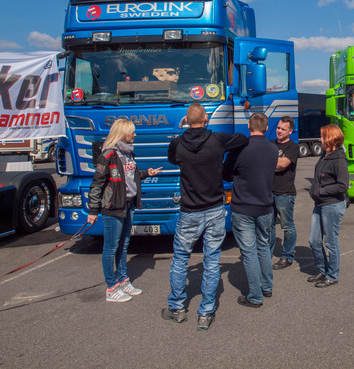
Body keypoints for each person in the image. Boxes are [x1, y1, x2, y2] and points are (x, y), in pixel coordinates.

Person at [161, 103, 248, 330]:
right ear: (206, 118)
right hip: (214, 209)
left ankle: (177, 308)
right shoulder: (217, 139)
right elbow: (242, 139)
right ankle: (206, 311)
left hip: (189, 210)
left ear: (186, 121)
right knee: (211, 260)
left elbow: (172, 159)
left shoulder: (177, 144)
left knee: (180, 259)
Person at [88, 119, 161, 302]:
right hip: (113, 208)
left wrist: (146, 173)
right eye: (132, 132)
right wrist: (93, 211)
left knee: (124, 244)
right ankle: (111, 288)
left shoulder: (128, 153)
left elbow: (130, 176)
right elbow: (97, 184)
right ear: (122, 133)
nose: (135, 135)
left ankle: (123, 281)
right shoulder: (108, 155)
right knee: (110, 248)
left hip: (128, 205)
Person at [223, 112, 278, 308]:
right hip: (265, 205)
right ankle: (266, 286)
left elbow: (226, 174)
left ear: (249, 126)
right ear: (266, 127)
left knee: (249, 251)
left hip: (243, 206)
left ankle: (255, 295)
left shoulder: (240, 150)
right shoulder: (273, 149)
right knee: (263, 246)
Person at [308, 124, 349, 288]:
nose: (319, 139)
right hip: (320, 203)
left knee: (331, 242)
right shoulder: (324, 156)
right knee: (313, 240)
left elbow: (343, 185)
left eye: (322, 137)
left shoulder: (339, 160)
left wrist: (322, 190)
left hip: (332, 205)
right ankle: (321, 269)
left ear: (330, 139)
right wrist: (315, 190)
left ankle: (332, 275)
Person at [269, 116, 299, 270]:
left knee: (287, 227)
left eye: (283, 129)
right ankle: (266, 255)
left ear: (290, 131)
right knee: (269, 226)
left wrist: (265, 163)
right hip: (268, 192)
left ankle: (287, 256)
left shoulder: (293, 147)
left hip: (285, 193)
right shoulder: (270, 143)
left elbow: (282, 165)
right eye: (278, 128)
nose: (279, 131)